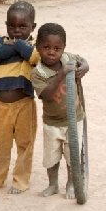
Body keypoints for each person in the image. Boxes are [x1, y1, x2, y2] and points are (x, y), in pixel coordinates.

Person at [0, 0, 39, 194]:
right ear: (6, 25)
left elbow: (34, 57)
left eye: (23, 26)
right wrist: (17, 47)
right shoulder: (0, 42)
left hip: (24, 104)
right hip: (2, 105)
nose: (17, 30)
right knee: (1, 144)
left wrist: (19, 45)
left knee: (25, 143)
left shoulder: (35, 46)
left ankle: (20, 181)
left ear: (33, 27)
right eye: (12, 26)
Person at [31, 23, 90, 199]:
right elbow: (46, 95)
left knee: (73, 156)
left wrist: (84, 67)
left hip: (74, 119)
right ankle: (53, 184)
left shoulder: (68, 59)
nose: (51, 52)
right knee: (51, 157)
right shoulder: (38, 73)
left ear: (64, 48)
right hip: (52, 123)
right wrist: (61, 74)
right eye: (46, 47)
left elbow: (84, 61)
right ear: (38, 48)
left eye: (57, 48)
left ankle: (72, 184)